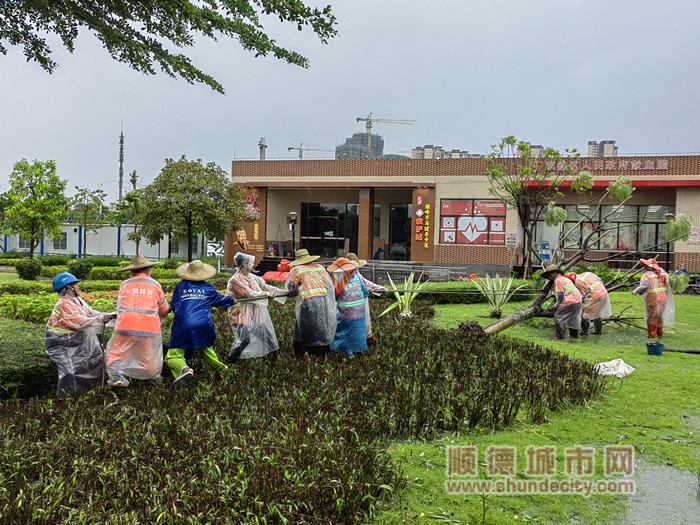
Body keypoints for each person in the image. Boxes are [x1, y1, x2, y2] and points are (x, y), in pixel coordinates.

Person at [166, 260, 236, 384]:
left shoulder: (181, 286)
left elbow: (174, 307)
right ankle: (220, 371)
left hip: (183, 323)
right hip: (204, 324)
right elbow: (224, 300)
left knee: (174, 354)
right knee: (207, 349)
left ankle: (185, 369)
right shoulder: (209, 288)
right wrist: (232, 300)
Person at [45, 272, 115, 395]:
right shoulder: (64, 304)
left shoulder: (77, 301)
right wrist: (101, 319)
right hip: (62, 344)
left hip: (74, 340)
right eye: (76, 285)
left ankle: (90, 390)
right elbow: (80, 323)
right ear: (68, 288)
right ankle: (68, 396)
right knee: (71, 370)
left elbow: (91, 313)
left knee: (96, 358)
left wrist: (106, 315)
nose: (78, 287)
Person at [105, 255, 170, 387]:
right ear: (148, 270)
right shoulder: (155, 284)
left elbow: (121, 306)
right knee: (148, 355)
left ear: (132, 271)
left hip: (125, 326)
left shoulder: (125, 284)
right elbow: (164, 310)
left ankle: (116, 376)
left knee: (117, 353)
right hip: (148, 328)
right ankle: (152, 378)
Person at [226, 252, 281, 360]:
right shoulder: (235, 280)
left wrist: (284, 292)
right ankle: (231, 359)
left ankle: (273, 360)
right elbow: (249, 294)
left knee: (268, 336)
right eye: (251, 262)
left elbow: (266, 287)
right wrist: (266, 294)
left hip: (254, 314)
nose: (253, 264)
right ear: (244, 264)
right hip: (240, 315)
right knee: (244, 339)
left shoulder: (252, 277)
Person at [285, 248, 336, 359]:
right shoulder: (320, 268)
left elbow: (292, 289)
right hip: (323, 301)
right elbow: (329, 285)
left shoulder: (296, 270)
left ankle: (304, 353)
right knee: (321, 328)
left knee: (303, 329)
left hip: (307, 302)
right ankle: (323, 354)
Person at [328, 257, 369, 356]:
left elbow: (333, 297)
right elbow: (366, 292)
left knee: (341, 330)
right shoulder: (357, 278)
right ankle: (358, 350)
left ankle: (341, 349)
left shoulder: (338, 284)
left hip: (344, 314)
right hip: (360, 314)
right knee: (357, 332)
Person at [344, 252, 386, 345]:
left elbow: (366, 283)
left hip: (360, 302)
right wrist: (367, 290)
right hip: (350, 302)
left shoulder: (356, 273)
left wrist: (381, 288)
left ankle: (365, 340)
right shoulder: (343, 275)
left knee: (363, 321)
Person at [632, 258, 675, 338]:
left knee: (652, 317)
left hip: (653, 300)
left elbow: (644, 286)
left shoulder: (647, 275)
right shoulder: (662, 274)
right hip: (663, 299)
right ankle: (659, 332)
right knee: (659, 317)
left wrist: (635, 291)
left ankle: (652, 334)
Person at [541, 265, 582, 339]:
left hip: (569, 301)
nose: (549, 277)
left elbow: (560, 295)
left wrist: (556, 306)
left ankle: (560, 336)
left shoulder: (558, 280)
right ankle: (574, 335)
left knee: (559, 315)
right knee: (572, 318)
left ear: (554, 273)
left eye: (550, 275)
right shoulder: (565, 279)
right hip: (578, 300)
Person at [567, 271, 612, 336]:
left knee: (584, 314)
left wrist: (580, 300)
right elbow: (599, 280)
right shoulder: (586, 274)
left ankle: (584, 332)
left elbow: (586, 292)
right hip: (603, 293)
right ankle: (598, 331)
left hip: (595, 295)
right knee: (598, 313)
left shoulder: (578, 281)